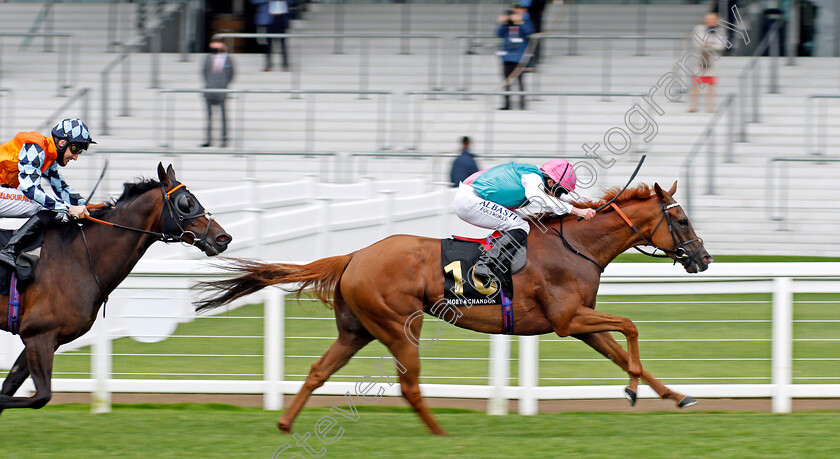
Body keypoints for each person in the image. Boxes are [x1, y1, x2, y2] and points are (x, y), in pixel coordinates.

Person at [452, 159, 595, 281]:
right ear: (550, 182)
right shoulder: (533, 178)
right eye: (562, 190)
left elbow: (563, 198)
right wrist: (577, 211)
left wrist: (592, 205)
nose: (561, 195)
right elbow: (540, 198)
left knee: (528, 223)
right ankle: (486, 264)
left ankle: (500, 259)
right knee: (520, 226)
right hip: (470, 200)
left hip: (473, 197)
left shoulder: (538, 177)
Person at [0, 118, 94, 269]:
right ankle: (10, 250)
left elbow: (62, 189)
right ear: (62, 143)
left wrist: (86, 205)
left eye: (80, 151)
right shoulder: (36, 148)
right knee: (47, 207)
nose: (76, 157)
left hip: (4, 190)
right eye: (75, 149)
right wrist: (69, 208)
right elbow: (31, 191)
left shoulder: (49, 156)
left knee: (56, 210)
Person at [497, 2, 534, 110]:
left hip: (519, 57)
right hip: (507, 57)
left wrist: (518, 21)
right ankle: (507, 104)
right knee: (506, 81)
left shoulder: (525, 21)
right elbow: (499, 33)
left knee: (520, 81)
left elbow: (528, 31)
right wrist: (503, 22)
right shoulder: (507, 23)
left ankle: (523, 104)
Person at [688, 12, 727, 113]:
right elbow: (697, 43)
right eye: (708, 19)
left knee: (710, 85)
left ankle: (710, 107)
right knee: (696, 84)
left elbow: (721, 45)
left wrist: (708, 44)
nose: (710, 21)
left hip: (712, 62)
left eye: (712, 19)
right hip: (699, 60)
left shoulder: (721, 31)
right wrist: (711, 43)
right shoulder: (698, 29)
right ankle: (693, 106)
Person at [201, 39, 235, 148]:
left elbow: (231, 73)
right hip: (209, 89)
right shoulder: (207, 58)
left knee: (223, 116)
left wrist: (224, 84)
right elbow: (204, 72)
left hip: (222, 89)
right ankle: (208, 139)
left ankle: (224, 138)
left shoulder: (228, 59)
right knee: (209, 116)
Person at [252, 0, 292, 72]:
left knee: (283, 43)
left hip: (281, 18)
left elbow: (293, 2)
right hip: (268, 18)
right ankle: (268, 65)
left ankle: (285, 65)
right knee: (268, 43)